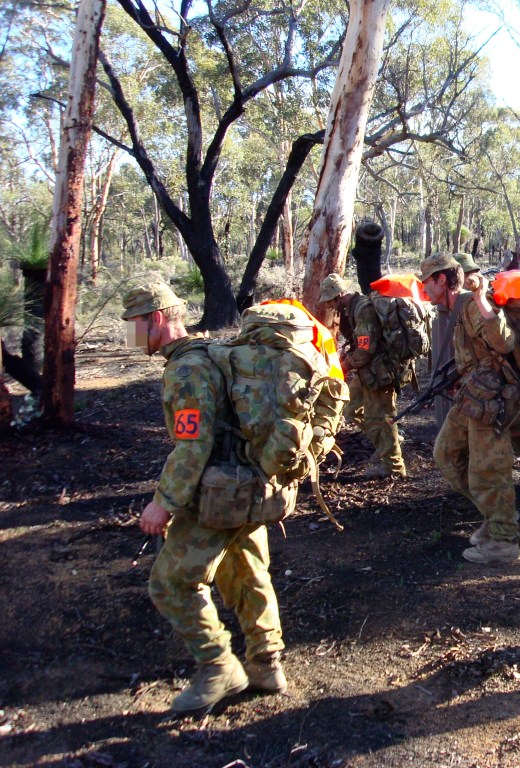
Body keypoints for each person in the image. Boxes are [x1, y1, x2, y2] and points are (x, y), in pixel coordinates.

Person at [122, 283, 287, 713]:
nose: (130, 335)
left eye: (134, 325)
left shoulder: (187, 370)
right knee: (246, 571)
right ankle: (267, 665)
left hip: (221, 495)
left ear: (157, 318)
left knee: (170, 582)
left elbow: (192, 445)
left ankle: (219, 668)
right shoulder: (215, 352)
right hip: (253, 485)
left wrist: (164, 502)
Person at [420, 254, 520, 564]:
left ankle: (505, 541)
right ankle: (497, 516)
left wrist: (480, 299)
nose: (423, 287)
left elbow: (505, 343)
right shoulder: (453, 309)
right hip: (472, 395)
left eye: (426, 281)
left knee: (487, 470)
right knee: (446, 454)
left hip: (490, 399)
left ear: (441, 279)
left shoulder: (470, 305)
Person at [454, 250, 520, 495]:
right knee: (515, 433)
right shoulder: (467, 303)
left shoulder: (477, 303)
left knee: (492, 436)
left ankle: (492, 499)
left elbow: (503, 343)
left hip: (500, 381)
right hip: (486, 380)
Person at [319, 273, 407, 478]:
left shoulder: (363, 310)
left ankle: (394, 465)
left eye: (331, 301)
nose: (330, 306)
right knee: (350, 408)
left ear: (339, 295)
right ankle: (387, 445)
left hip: (380, 372)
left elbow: (366, 348)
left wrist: (345, 365)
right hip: (367, 370)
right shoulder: (352, 309)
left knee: (381, 418)